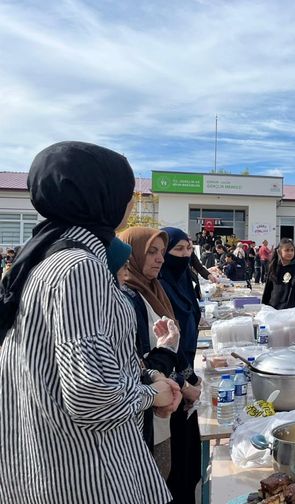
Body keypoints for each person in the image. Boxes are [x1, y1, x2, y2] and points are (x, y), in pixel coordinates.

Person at [0, 141, 178, 502]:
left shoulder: (44, 261)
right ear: (101, 197)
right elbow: (92, 397)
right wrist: (150, 394)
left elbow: (74, 364)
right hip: (88, 473)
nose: (130, 204)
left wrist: (147, 374)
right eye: (127, 194)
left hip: (49, 467)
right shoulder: (81, 269)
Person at [118, 227, 202, 483]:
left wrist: (189, 380)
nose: (161, 259)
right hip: (153, 409)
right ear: (131, 256)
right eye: (151, 252)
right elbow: (140, 362)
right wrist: (183, 383)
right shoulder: (129, 299)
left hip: (173, 399)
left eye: (162, 252)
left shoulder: (153, 289)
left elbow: (174, 345)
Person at [158, 227, 204, 504]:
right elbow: (160, 343)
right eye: (179, 250)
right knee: (175, 462)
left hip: (185, 372)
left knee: (188, 457)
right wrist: (186, 381)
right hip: (169, 384)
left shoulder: (183, 279)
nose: (185, 255)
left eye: (189, 249)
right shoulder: (158, 286)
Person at [263, 239, 295, 310]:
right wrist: (265, 306)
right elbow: (268, 288)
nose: (290, 253)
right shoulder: (274, 267)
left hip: (291, 309)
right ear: (279, 251)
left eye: (292, 250)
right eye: (287, 250)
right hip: (273, 307)